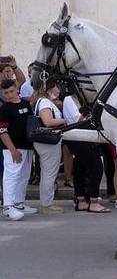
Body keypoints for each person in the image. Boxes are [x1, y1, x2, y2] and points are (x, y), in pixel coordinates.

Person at [62, 94, 110, 213]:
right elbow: (77, 121)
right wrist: (87, 114)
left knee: (81, 168)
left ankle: (82, 200)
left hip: (85, 136)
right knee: (96, 167)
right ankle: (93, 201)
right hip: (79, 137)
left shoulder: (82, 99)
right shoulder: (69, 99)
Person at [1, 78, 36, 220]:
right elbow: (2, 131)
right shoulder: (4, 109)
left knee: (24, 176)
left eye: (11, 91)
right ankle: (8, 207)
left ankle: (19, 204)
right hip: (12, 149)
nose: (9, 95)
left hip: (27, 147)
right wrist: (12, 150)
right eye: (5, 93)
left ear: (17, 88)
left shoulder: (26, 104)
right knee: (11, 176)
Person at [32, 81, 67, 214]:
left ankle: (46, 202)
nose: (59, 91)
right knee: (49, 173)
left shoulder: (43, 101)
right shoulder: (45, 103)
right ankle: (47, 205)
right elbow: (48, 122)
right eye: (57, 88)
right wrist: (65, 120)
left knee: (47, 172)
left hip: (46, 142)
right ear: (50, 88)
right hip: (48, 142)